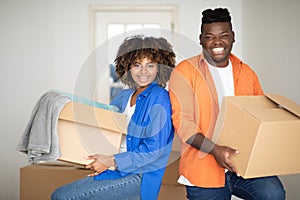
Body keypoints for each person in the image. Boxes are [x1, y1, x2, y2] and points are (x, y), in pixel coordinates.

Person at [169, 8, 286, 200]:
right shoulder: (185, 72)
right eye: (209, 37)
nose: (217, 42)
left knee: (274, 194)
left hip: (244, 165)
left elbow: (261, 116)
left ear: (233, 37)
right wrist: (216, 150)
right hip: (203, 169)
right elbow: (183, 123)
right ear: (200, 39)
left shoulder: (247, 72)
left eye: (223, 35)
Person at [51, 35, 176, 200]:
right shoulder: (123, 96)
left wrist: (110, 161)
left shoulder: (159, 97)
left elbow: (153, 151)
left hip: (139, 175)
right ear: (128, 66)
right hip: (114, 168)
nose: (143, 71)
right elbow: (106, 129)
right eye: (137, 65)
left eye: (150, 65)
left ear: (160, 68)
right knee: (59, 194)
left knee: (62, 196)